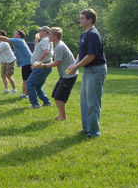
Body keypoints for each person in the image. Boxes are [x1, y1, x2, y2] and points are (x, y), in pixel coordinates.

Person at [67, 9, 107, 138]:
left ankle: (94, 131)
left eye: (82, 18)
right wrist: (74, 64)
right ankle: (87, 128)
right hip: (87, 70)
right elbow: (82, 53)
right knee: (84, 100)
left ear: (90, 20)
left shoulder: (93, 35)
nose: (80, 20)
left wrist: (76, 67)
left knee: (93, 101)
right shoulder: (84, 35)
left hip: (96, 70)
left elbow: (91, 56)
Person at [33, 27, 78, 121]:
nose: (48, 36)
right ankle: (60, 115)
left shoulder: (60, 47)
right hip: (64, 75)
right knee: (55, 95)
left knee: (59, 97)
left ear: (55, 36)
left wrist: (43, 66)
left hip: (69, 75)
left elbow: (57, 63)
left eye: (50, 34)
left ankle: (63, 117)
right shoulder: (57, 45)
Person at [0, 29, 32, 98]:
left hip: (28, 62)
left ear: (19, 36)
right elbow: (3, 39)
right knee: (25, 79)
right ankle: (24, 94)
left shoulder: (19, 40)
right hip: (25, 63)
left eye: (16, 33)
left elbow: (5, 39)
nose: (14, 34)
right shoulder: (17, 41)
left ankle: (26, 94)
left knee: (27, 79)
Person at [26, 26, 54, 108]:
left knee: (30, 83)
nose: (39, 32)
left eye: (41, 31)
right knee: (37, 86)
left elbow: (46, 50)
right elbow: (37, 49)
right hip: (44, 66)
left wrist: (38, 62)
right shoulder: (44, 40)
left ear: (46, 32)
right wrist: (36, 40)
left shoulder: (45, 40)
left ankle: (35, 104)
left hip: (42, 66)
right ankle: (46, 102)